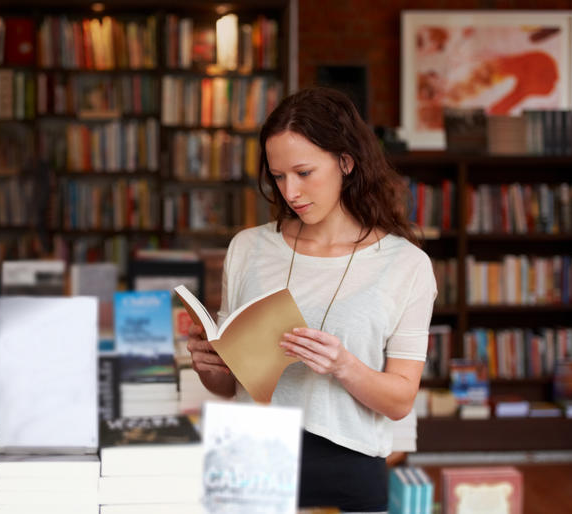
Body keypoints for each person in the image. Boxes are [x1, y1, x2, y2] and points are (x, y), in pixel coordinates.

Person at [187, 86, 437, 513]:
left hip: (347, 471)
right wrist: (211, 368)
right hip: (249, 461)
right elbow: (231, 388)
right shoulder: (248, 248)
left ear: (345, 162)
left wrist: (344, 366)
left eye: (304, 173)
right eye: (278, 176)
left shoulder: (405, 265)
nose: (291, 192)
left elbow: (399, 401)